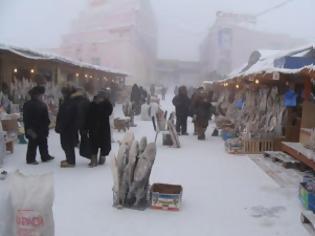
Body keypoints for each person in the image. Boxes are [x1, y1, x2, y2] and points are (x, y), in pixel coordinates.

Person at [23, 85, 54, 165]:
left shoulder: (26, 104)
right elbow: (46, 119)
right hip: (41, 128)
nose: (42, 96)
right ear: (38, 95)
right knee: (42, 142)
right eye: (41, 95)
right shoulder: (42, 105)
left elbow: (25, 118)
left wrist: (28, 128)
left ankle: (32, 158)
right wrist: (47, 125)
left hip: (31, 128)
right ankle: (44, 156)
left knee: (32, 143)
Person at [86, 90, 113, 167]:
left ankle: (102, 158)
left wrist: (101, 106)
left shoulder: (107, 105)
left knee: (104, 144)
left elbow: (108, 112)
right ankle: (93, 160)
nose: (100, 99)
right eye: (99, 97)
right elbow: (88, 116)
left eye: (102, 97)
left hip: (103, 128)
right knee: (93, 144)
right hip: (94, 128)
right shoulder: (92, 104)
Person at [55, 86, 79, 168]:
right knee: (66, 144)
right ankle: (69, 159)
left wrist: (60, 126)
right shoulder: (68, 101)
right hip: (68, 127)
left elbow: (66, 117)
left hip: (68, 128)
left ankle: (71, 161)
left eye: (63, 93)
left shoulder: (69, 103)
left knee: (67, 144)